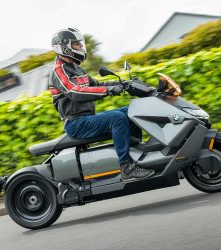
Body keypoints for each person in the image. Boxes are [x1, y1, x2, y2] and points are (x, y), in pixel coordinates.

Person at [48, 27, 155, 180]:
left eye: (80, 44)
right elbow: (75, 92)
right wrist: (110, 91)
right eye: (76, 45)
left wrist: (123, 83)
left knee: (132, 110)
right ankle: (126, 166)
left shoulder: (76, 68)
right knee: (117, 118)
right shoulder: (59, 71)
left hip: (88, 118)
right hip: (76, 123)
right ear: (65, 47)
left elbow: (97, 84)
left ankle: (136, 152)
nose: (80, 47)